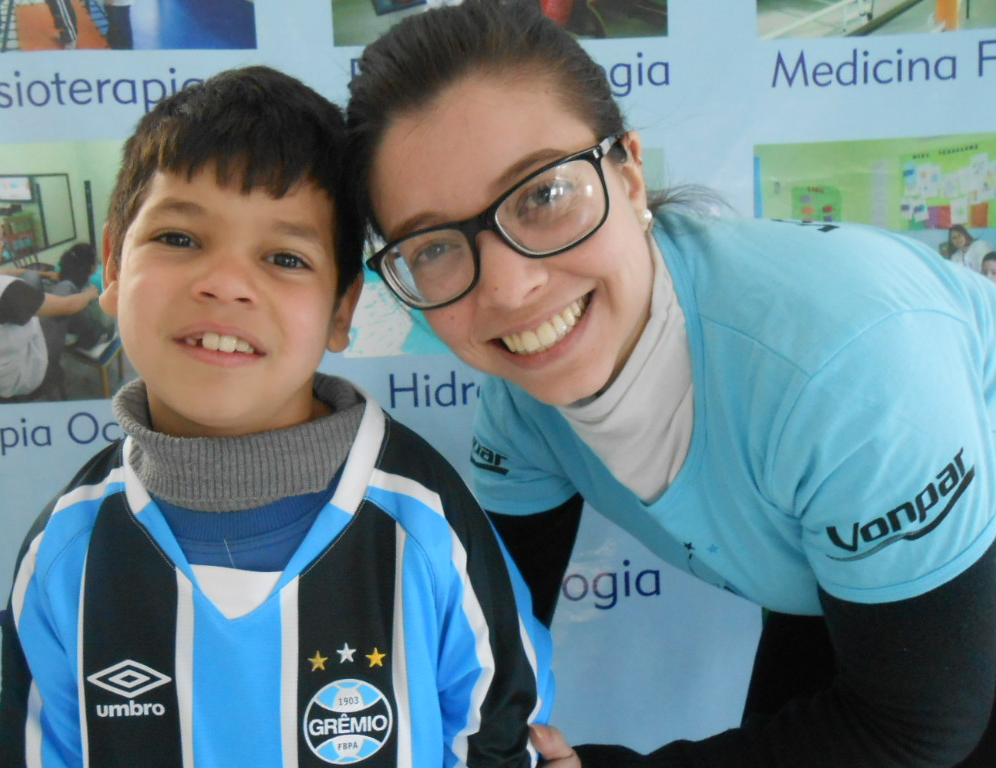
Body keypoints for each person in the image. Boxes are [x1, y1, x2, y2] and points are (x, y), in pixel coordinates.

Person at [345, 1, 996, 765]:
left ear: (628, 174)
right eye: (433, 248)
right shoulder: (521, 407)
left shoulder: (842, 371)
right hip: (841, 583)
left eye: (543, 195)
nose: (510, 288)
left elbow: (921, 727)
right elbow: (490, 644)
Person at [0, 66, 553, 767]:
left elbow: (499, 731)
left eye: (285, 256)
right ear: (112, 261)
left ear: (343, 309)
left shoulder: (425, 521)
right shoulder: (66, 553)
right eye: (179, 238)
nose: (225, 283)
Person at [0, 205, 97, 400]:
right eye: (1, 238)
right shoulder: (6, 291)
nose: (3, 243)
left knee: (30, 276)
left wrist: (47, 274)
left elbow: (9, 272)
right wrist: (89, 294)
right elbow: (68, 305)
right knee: (65, 289)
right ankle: (88, 333)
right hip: (24, 373)